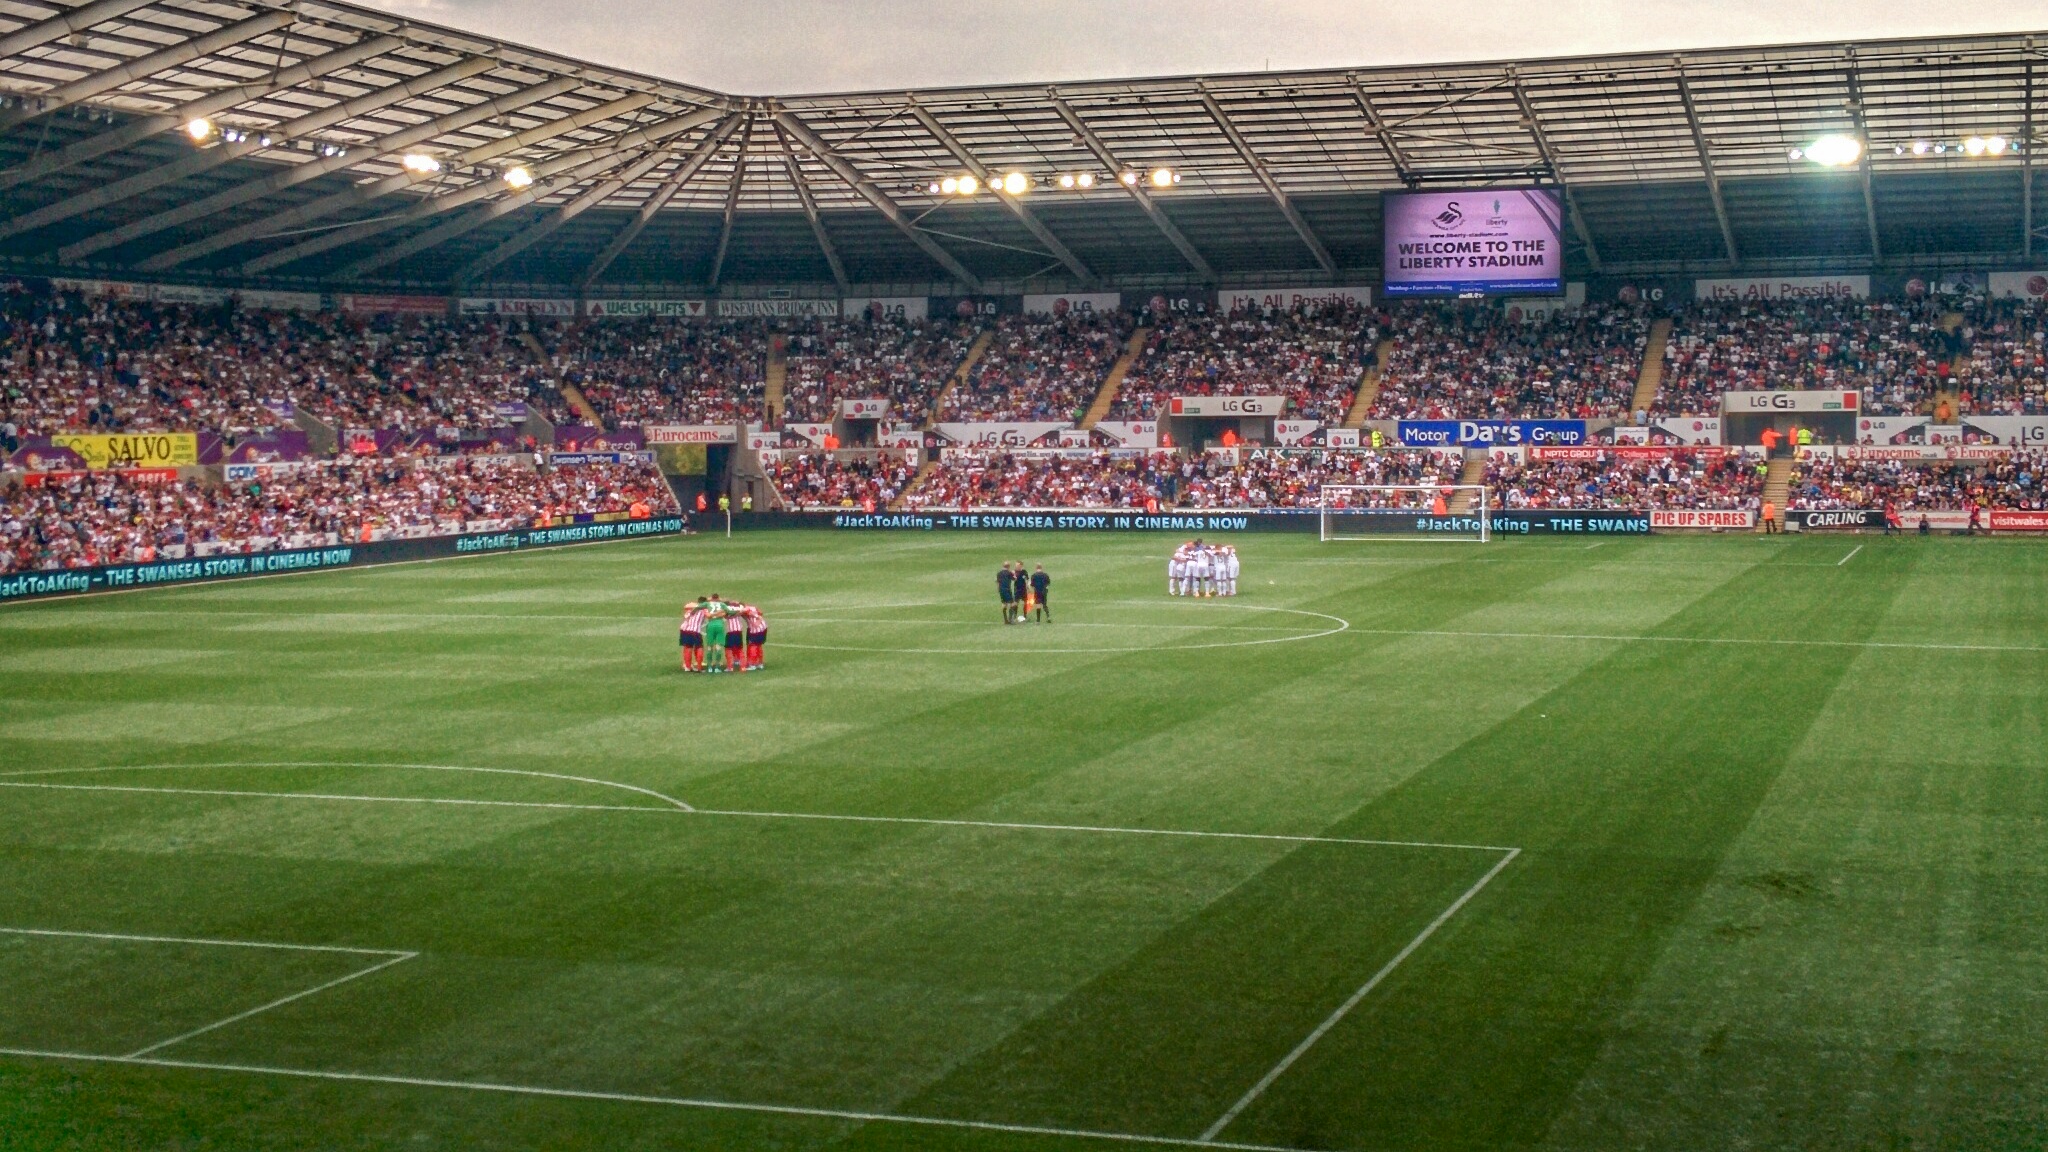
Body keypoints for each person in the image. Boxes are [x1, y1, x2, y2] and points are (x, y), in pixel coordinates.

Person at [679, 597, 706, 672]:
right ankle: (699, 667)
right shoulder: (705, 610)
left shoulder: (691, 608)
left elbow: (686, 616)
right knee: (699, 648)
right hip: (696, 631)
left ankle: (687, 666)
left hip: (686, 630)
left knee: (688, 648)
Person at [702, 595, 728, 672]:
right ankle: (717, 667)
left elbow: (708, 615)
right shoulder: (722, 606)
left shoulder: (707, 606)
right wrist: (718, 614)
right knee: (718, 647)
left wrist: (712, 615)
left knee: (709, 647)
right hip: (719, 626)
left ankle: (709, 667)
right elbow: (725, 613)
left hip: (710, 626)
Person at [724, 601, 748, 668]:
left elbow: (724, 615)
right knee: (739, 649)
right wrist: (738, 614)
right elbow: (744, 609)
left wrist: (729, 617)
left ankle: (730, 667)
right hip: (738, 632)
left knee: (728, 649)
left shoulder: (725, 608)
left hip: (731, 632)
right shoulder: (738, 608)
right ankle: (743, 666)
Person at [744, 603, 767, 669]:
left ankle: (752, 664)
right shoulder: (753, 607)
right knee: (759, 646)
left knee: (753, 646)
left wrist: (757, 618)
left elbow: (748, 613)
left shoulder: (745, 609)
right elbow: (761, 612)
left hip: (756, 630)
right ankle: (760, 663)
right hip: (763, 628)